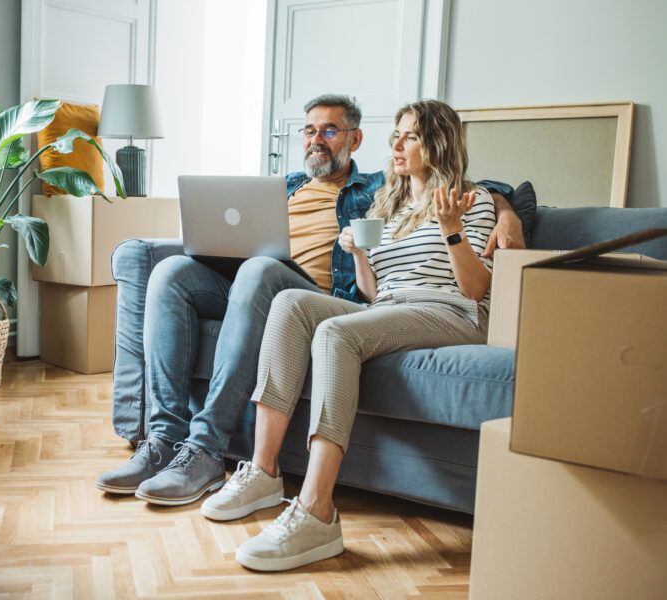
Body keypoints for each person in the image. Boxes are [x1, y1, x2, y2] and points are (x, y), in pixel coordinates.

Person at [96, 94, 523, 507]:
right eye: (308, 130)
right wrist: (358, 252)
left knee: (262, 271)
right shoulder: (313, 191)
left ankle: (214, 452)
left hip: (321, 290)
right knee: (171, 271)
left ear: (355, 139)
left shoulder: (374, 188)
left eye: (330, 131)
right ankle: (164, 439)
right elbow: (377, 288)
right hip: (268, 289)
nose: (316, 140)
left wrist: (505, 213)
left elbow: (489, 196)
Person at [200, 99, 496, 571]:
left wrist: (452, 230)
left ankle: (317, 510)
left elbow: (475, 289)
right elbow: (374, 292)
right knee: (290, 303)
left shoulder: (471, 200)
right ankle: (263, 470)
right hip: (392, 305)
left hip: (450, 311)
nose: (397, 145)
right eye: (397, 135)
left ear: (438, 144)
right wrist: (359, 253)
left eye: (411, 136)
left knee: (336, 334)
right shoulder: (391, 204)